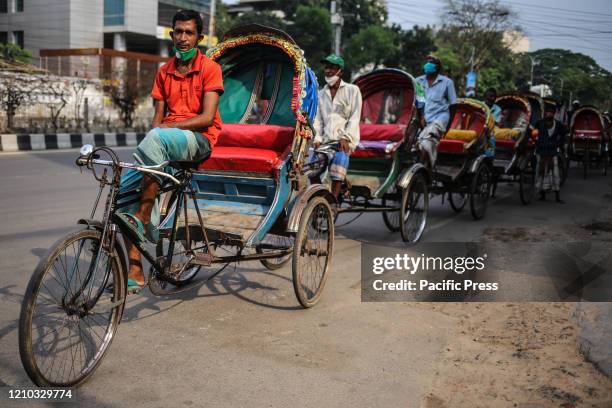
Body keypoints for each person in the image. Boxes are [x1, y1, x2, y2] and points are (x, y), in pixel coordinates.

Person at [116, 9, 224, 292]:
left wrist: (162, 132)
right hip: (165, 144)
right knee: (122, 194)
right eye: (178, 32)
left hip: (198, 140)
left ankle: (146, 219)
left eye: (189, 33)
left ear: (199, 37)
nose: (183, 38)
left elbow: (207, 117)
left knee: (157, 139)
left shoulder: (210, 68)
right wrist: (158, 132)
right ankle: (136, 268)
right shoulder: (164, 71)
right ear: (172, 34)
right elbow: (157, 117)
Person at [311, 54, 362, 200]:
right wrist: (318, 138)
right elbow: (317, 120)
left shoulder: (352, 90)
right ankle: (322, 198)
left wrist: (345, 138)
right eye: (326, 67)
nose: (328, 71)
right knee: (311, 170)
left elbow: (355, 117)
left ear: (340, 71)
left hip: (344, 141)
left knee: (338, 166)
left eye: (332, 68)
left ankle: (333, 200)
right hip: (326, 142)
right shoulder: (321, 94)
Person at [415, 55, 457, 170]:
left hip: (440, 117)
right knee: (413, 139)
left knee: (427, 138)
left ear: (438, 67)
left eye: (431, 63)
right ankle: (428, 167)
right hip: (424, 117)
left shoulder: (447, 82)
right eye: (427, 62)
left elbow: (453, 106)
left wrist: (448, 125)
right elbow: (419, 101)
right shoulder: (418, 81)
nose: (428, 64)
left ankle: (421, 168)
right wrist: (421, 116)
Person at [534, 103, 568, 203]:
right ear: (545, 113)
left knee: (555, 173)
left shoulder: (559, 125)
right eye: (548, 112)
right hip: (541, 151)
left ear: (554, 114)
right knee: (541, 171)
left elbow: (564, 135)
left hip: (552, 152)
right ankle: (542, 194)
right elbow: (532, 132)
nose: (549, 114)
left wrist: (559, 144)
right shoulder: (539, 123)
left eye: (551, 112)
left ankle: (557, 196)